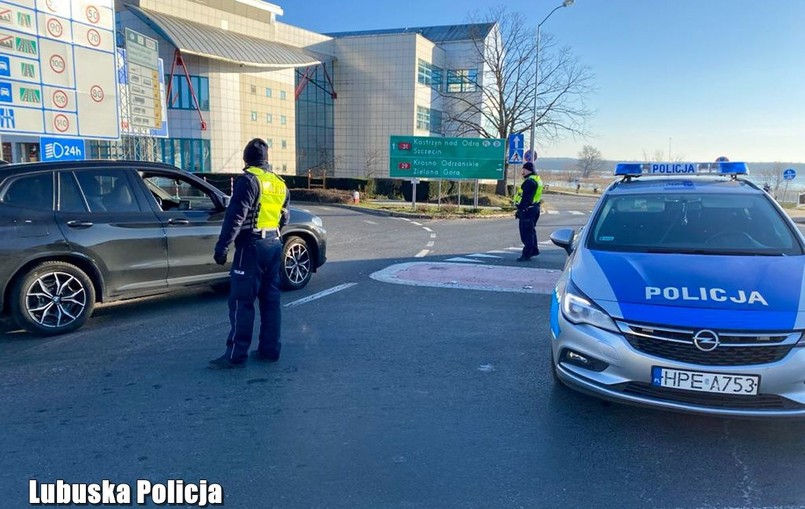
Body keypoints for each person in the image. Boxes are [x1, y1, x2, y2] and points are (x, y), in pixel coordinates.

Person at [209, 138, 290, 369]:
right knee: (271, 301)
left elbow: (235, 217)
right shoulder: (279, 183)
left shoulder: (248, 181)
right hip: (274, 244)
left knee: (241, 302)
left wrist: (223, 247)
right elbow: (284, 217)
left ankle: (235, 355)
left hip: (251, 247)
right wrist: (273, 235)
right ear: (266, 160)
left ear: (246, 160)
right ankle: (270, 350)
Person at [513, 161, 544, 262]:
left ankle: (526, 254)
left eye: (524, 169)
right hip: (534, 208)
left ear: (528, 170)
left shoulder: (529, 182)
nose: (522, 171)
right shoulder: (537, 179)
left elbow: (526, 197)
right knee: (531, 231)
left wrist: (521, 209)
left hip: (528, 209)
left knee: (526, 233)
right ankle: (534, 250)